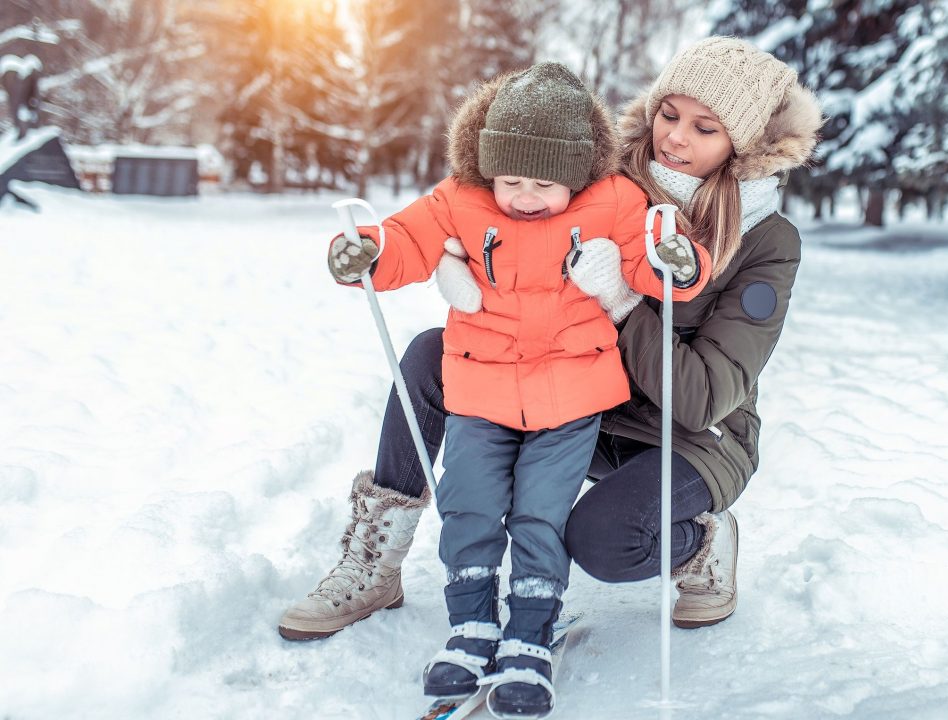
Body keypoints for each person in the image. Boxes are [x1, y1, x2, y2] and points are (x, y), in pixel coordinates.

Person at [280, 28, 818, 668]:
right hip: (580, 396)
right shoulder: (599, 181)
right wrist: (442, 255)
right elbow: (478, 206)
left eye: (705, 128)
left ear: (744, 144)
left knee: (600, 542)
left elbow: (700, 398)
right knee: (432, 354)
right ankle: (377, 556)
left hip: (689, 435)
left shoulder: (767, 239)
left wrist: (619, 301)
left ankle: (699, 545)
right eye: (668, 115)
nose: (674, 137)